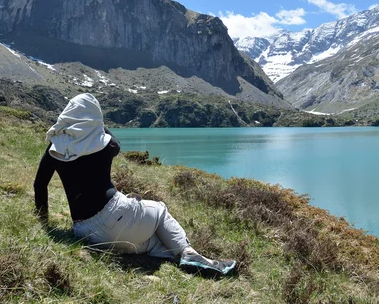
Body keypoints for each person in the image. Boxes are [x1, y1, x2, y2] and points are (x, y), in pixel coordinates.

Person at [33, 93, 236, 276]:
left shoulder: (55, 147)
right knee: (160, 210)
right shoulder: (105, 144)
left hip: (86, 232)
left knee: (154, 242)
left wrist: (44, 222)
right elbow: (117, 143)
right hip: (115, 213)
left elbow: (39, 185)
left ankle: (196, 261)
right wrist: (98, 124)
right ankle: (188, 253)